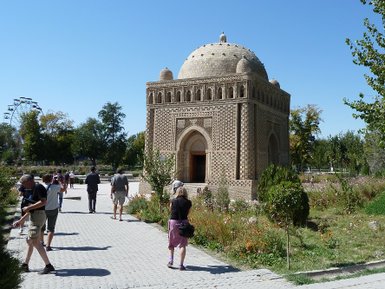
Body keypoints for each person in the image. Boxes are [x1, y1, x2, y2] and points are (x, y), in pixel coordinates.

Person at [12, 174, 55, 274]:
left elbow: (43, 202)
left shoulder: (38, 187)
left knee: (34, 241)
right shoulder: (33, 189)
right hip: (35, 216)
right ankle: (25, 265)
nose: (23, 186)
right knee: (30, 241)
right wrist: (21, 220)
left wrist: (28, 208)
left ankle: (48, 265)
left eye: (23, 183)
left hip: (38, 216)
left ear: (29, 181)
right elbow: (32, 209)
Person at [167, 187, 192, 271]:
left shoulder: (173, 201)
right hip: (184, 223)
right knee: (183, 244)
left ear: (177, 192)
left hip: (174, 222)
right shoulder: (188, 202)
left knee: (171, 243)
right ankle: (181, 265)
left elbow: (171, 210)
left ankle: (170, 261)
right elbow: (188, 213)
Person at [42, 174, 64, 251]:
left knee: (42, 226)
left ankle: (41, 242)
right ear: (51, 179)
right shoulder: (55, 187)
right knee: (51, 228)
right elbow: (63, 190)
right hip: (53, 209)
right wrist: (60, 182)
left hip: (43, 209)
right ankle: (48, 245)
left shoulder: (40, 187)